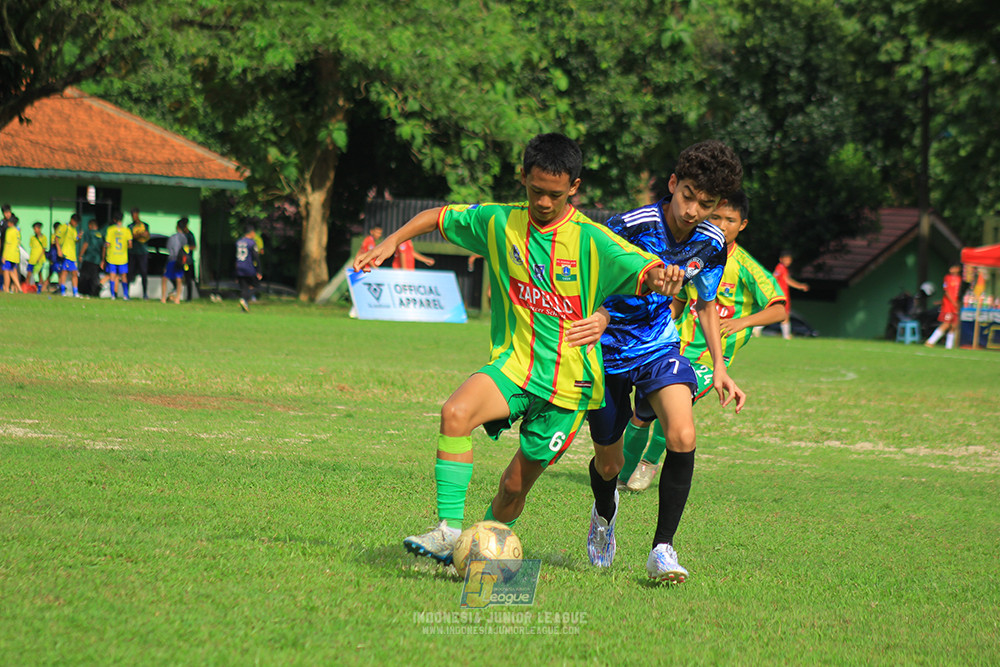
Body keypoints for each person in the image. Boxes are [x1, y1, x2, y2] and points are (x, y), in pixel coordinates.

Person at [352, 133, 683, 566]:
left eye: (555, 195)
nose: (543, 202)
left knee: (513, 487)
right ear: (522, 176)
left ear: (574, 187)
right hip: (514, 365)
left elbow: (645, 269)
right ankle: (449, 532)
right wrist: (390, 241)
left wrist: (663, 278)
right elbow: (437, 216)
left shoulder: (593, 240)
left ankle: (477, 554)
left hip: (569, 388)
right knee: (455, 413)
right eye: (535, 190)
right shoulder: (499, 222)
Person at [584, 140, 745, 584]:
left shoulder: (712, 242)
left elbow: (705, 303)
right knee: (610, 465)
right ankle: (603, 515)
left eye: (706, 205)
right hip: (605, 349)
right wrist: (605, 311)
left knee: (682, 434)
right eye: (688, 195)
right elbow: (590, 277)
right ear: (673, 184)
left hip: (658, 345)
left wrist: (720, 366)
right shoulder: (629, 226)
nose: (693, 210)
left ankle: (662, 549)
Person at [617, 191, 786, 493]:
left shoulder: (746, 266)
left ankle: (648, 463)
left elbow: (780, 308)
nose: (721, 225)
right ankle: (621, 475)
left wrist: (741, 322)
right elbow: (679, 300)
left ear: (743, 224)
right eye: (716, 217)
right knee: (641, 413)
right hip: (672, 348)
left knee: (672, 412)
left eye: (730, 220)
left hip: (709, 358)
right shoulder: (696, 255)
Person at [772, 250, 809, 339]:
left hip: (784, 294)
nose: (788, 261)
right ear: (781, 259)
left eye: (789, 260)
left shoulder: (784, 269)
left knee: (779, 313)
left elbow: (787, 280)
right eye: (786, 259)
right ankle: (786, 335)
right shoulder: (780, 267)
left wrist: (799, 286)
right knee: (783, 314)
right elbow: (774, 277)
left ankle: (757, 329)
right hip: (780, 295)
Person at [925, 264, 962, 349]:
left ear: (958, 269)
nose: (951, 269)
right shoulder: (947, 278)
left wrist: (957, 303)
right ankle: (930, 341)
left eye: (953, 267)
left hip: (955, 305)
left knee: (954, 325)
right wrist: (953, 302)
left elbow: (957, 293)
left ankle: (949, 346)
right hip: (948, 305)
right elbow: (947, 292)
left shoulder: (959, 279)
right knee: (946, 324)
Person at [103, 211, 133, 300]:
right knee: (123, 276)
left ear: (114, 220)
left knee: (112, 275)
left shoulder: (110, 230)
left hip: (112, 256)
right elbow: (130, 245)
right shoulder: (126, 230)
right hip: (122, 257)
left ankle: (113, 295)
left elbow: (107, 243)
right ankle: (125, 295)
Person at [235, 224, 262, 312]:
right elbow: (256, 257)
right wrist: (259, 271)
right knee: (256, 286)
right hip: (248, 267)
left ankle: (243, 308)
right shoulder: (252, 243)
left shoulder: (239, 242)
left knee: (244, 287)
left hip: (239, 267)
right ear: (252, 232)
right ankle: (244, 299)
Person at [161, 220, 188, 304]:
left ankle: (163, 298)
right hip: (180, 260)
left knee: (165, 278)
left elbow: (168, 248)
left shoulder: (172, 237)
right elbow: (186, 250)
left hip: (171, 259)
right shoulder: (184, 238)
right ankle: (178, 298)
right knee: (179, 278)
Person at [128, 207, 152, 299]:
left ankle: (145, 293)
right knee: (130, 272)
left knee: (144, 273)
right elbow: (131, 236)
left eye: (134, 215)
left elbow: (147, 235)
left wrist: (142, 235)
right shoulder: (130, 226)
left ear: (137, 214)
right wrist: (140, 235)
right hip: (132, 252)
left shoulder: (145, 225)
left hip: (143, 252)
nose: (133, 217)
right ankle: (127, 293)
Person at [78, 219, 105, 297]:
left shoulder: (88, 233)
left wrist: (80, 255)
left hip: (88, 258)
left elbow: (86, 244)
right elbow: (104, 247)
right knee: (94, 277)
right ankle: (93, 292)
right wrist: (102, 259)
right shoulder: (101, 234)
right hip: (96, 259)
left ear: (90, 225)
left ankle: (82, 291)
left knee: (84, 276)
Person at [57, 214, 81, 297]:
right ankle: (62, 291)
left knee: (75, 273)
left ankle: (75, 292)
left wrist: (78, 238)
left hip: (73, 255)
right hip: (66, 254)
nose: (76, 224)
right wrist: (59, 250)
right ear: (72, 220)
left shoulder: (74, 230)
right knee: (65, 272)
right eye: (76, 222)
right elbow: (57, 237)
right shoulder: (65, 227)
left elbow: (75, 240)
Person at [26, 222, 49, 294]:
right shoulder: (32, 238)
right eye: (34, 229)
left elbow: (44, 249)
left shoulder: (44, 238)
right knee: (29, 273)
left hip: (40, 260)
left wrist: (39, 258)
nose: (35, 230)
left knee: (40, 273)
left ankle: (39, 289)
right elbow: (32, 247)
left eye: (36, 228)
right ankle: (26, 288)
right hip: (32, 259)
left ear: (39, 229)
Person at [2, 214, 22, 293]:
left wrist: (4, 256)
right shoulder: (17, 231)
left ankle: (6, 288)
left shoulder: (9, 231)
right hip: (15, 255)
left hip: (9, 254)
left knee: (6, 271)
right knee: (12, 271)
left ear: (11, 223)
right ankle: (19, 288)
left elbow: (7, 244)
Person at [179, 217, 197, 301]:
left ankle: (189, 297)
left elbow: (194, 246)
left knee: (188, 278)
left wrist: (186, 248)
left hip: (187, 261)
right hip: (180, 259)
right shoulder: (180, 235)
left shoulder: (190, 235)